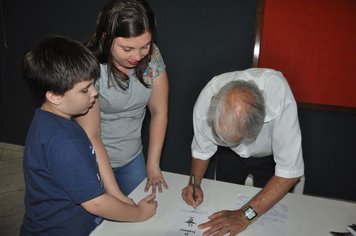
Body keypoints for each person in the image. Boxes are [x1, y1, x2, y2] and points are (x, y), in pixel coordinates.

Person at [20, 36, 157, 235]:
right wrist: (138, 213)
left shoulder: (46, 120)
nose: (94, 93)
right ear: (54, 96)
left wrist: (118, 197)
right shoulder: (65, 142)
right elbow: (96, 203)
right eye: (85, 89)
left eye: (93, 85)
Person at [182, 68, 304, 235]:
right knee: (223, 203)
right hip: (229, 156)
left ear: (259, 124)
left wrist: (244, 216)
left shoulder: (278, 94)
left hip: (268, 159)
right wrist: (194, 183)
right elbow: (202, 151)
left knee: (265, 223)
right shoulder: (206, 99)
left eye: (236, 139)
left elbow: (289, 172)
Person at [76, 0, 169, 196]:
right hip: (93, 159)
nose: (138, 56)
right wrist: (116, 195)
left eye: (145, 46)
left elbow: (159, 111)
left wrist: (153, 165)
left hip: (133, 158)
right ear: (105, 38)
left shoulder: (152, 57)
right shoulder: (89, 67)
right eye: (127, 49)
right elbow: (91, 135)